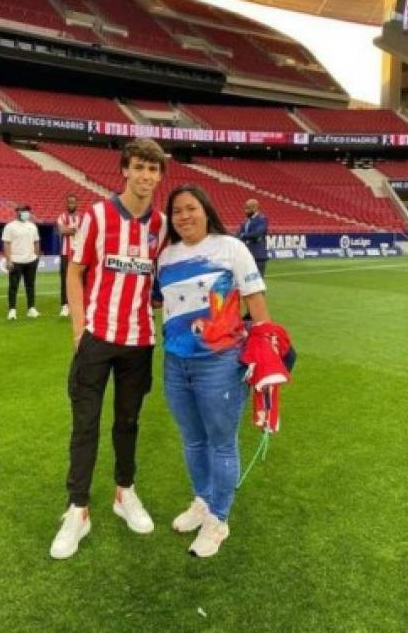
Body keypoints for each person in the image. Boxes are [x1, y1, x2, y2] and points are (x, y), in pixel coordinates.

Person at [50, 138, 168, 560]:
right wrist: (79, 330)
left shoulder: (162, 225)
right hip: (97, 339)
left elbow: (163, 278)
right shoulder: (98, 216)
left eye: (153, 170)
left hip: (139, 340)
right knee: (85, 425)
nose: (146, 176)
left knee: (128, 422)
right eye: (139, 167)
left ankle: (124, 492)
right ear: (125, 169)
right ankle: (78, 509)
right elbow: (75, 271)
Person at [156, 185, 271, 558]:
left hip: (220, 363)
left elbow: (255, 301)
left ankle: (218, 519)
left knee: (221, 442)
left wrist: (265, 347)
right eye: (176, 212)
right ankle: (203, 502)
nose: (184, 216)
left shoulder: (231, 248)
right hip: (176, 363)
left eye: (191, 208)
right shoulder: (167, 255)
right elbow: (164, 305)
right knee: (192, 440)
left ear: (206, 210)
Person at [2, 205, 40, 320]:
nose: (26, 213)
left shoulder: (32, 226)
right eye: (24, 211)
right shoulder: (10, 226)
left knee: (30, 285)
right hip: (16, 261)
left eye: (27, 211)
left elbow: (36, 242)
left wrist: (36, 257)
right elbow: (6, 243)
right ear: (17, 212)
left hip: (31, 260)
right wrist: (9, 260)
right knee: (13, 286)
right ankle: (12, 310)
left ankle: (31, 308)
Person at [57, 195, 82, 317]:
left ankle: (78, 305)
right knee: (64, 280)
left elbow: (85, 232)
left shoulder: (82, 217)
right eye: (69, 202)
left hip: (80, 254)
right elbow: (62, 231)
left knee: (81, 280)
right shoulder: (62, 216)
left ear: (77, 204)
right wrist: (75, 230)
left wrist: (70, 229)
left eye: (73, 202)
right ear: (66, 204)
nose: (71, 204)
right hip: (66, 253)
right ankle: (65, 306)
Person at [237, 198, 268, 277]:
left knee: (258, 282)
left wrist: (243, 236)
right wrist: (241, 236)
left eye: (248, 208)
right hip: (246, 255)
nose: (245, 211)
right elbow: (238, 234)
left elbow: (256, 234)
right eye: (245, 208)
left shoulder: (262, 219)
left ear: (255, 208)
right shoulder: (245, 221)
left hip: (258, 255)